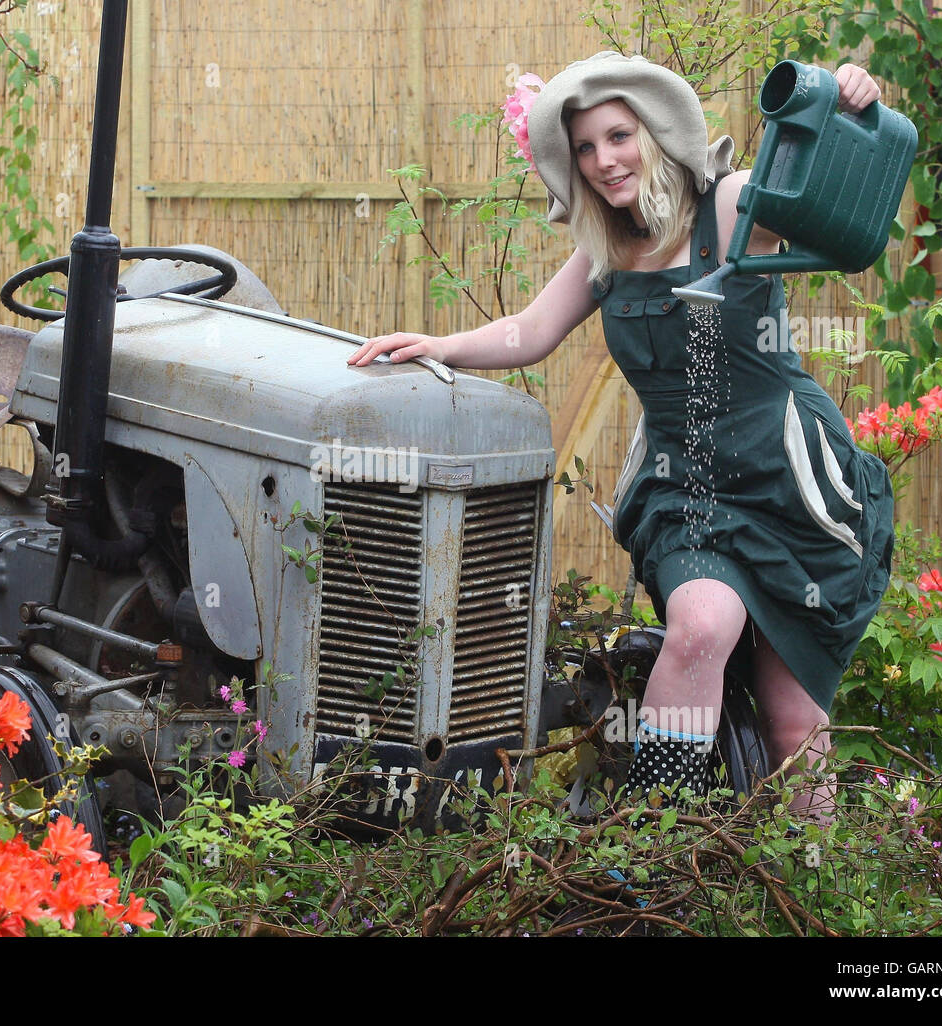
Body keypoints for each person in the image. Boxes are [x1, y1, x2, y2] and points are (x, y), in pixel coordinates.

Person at [347, 52, 895, 823]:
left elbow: (837, 195)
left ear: (655, 134)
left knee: (796, 725)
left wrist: (848, 102)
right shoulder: (605, 253)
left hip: (786, 483)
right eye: (585, 148)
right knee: (703, 624)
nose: (604, 161)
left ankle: (814, 892)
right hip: (689, 492)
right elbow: (525, 331)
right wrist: (436, 343)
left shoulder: (733, 205)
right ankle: (651, 846)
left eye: (618, 136)